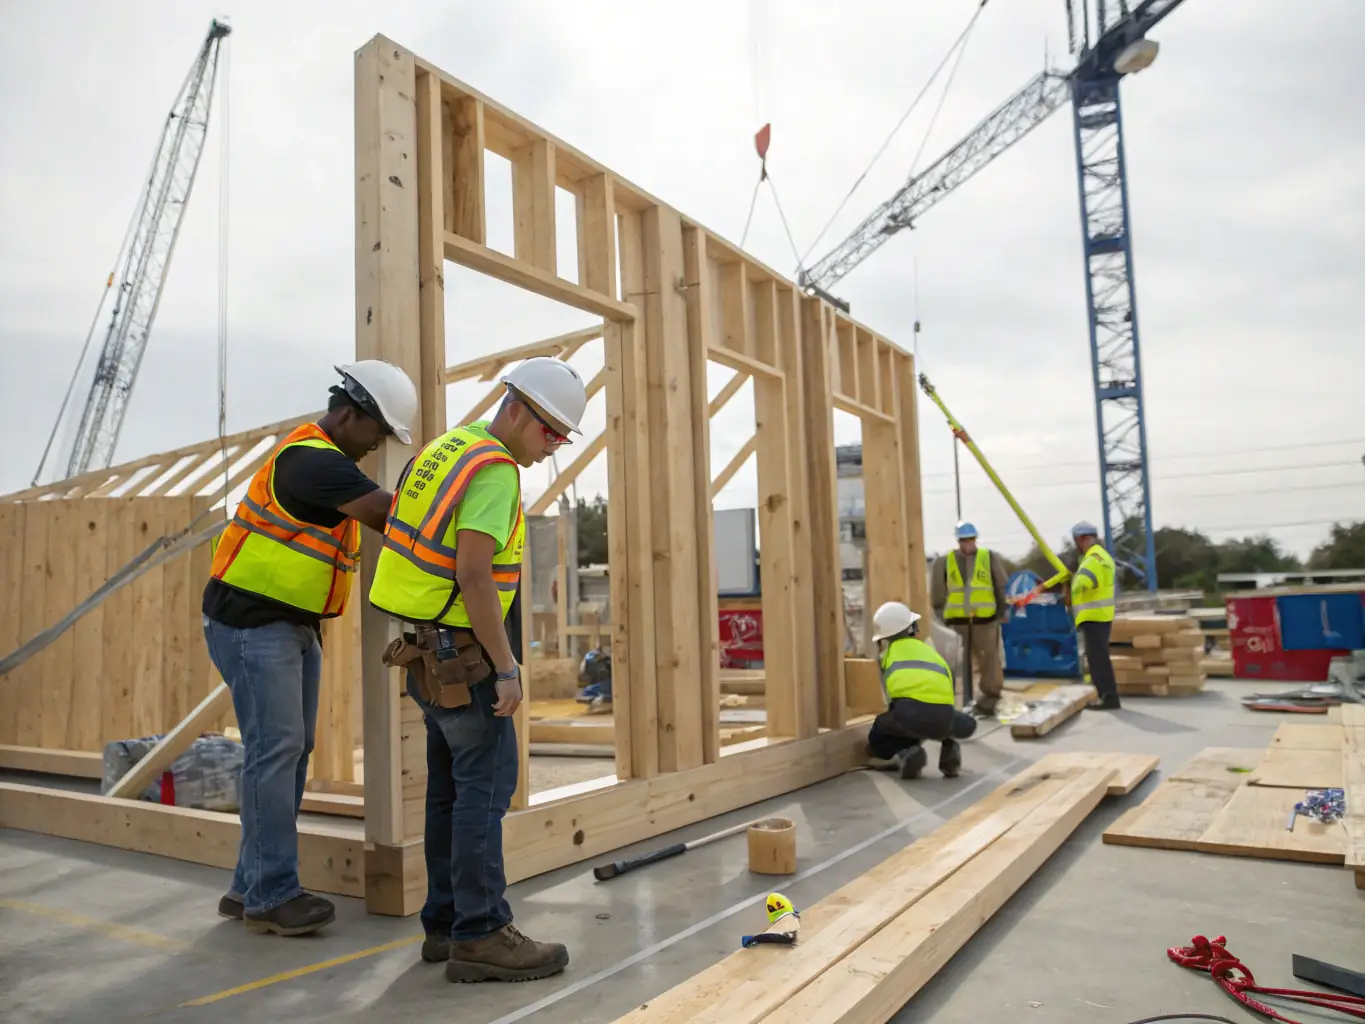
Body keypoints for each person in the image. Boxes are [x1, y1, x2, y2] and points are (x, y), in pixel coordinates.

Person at [369, 355, 587, 984]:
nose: (551, 448)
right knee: (483, 796)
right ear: (515, 409)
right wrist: (509, 667)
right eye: (548, 432)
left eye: (561, 438)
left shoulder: (446, 450)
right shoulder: (493, 473)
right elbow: (472, 573)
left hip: (425, 654)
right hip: (466, 659)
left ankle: (445, 923)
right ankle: (483, 932)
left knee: (449, 791)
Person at [204, 361, 419, 936]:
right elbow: (390, 518)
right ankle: (273, 892)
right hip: (253, 624)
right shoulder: (314, 461)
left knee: (288, 753)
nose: (377, 445)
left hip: (289, 624)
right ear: (348, 414)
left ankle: (249, 887)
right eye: (376, 431)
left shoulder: (327, 460)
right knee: (275, 752)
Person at [865, 601, 977, 780]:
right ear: (911, 628)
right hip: (945, 717)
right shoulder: (931, 652)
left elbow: (889, 699)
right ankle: (948, 747)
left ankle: (904, 752)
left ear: (883, 637)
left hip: (913, 716)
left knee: (883, 725)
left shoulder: (887, 656)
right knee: (933, 720)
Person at [930, 521, 1008, 718]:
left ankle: (989, 699)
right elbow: (938, 593)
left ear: (975, 539)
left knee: (989, 660)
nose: (968, 543)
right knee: (958, 663)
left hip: (984, 620)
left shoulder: (988, 558)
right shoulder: (944, 562)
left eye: (970, 539)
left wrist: (1002, 612)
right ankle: (958, 701)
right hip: (957, 622)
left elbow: (1000, 586)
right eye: (964, 540)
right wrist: (942, 620)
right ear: (958, 540)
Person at [1070, 521, 1121, 710]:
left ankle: (1108, 697)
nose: (1077, 545)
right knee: (1099, 657)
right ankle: (1107, 695)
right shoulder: (1103, 556)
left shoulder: (1093, 559)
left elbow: (1084, 581)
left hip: (1094, 615)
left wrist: (1071, 589)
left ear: (1084, 539)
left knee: (1098, 659)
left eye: (1077, 541)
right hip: (1101, 615)